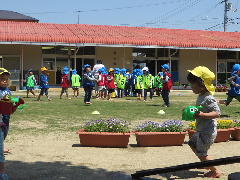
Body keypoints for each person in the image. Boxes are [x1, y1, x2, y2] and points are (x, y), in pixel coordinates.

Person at [187, 66, 221, 178]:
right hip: (201, 129)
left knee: (202, 153)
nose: (191, 87)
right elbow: (201, 109)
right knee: (192, 144)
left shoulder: (208, 97)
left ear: (202, 83)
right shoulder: (201, 96)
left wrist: (202, 115)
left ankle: (215, 171)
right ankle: (205, 162)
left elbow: (217, 113)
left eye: (192, 84)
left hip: (207, 131)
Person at [0, 68, 14, 180]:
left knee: (6, 131)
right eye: (2, 79)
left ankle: (1, 145)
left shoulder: (7, 90)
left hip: (6, 117)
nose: (5, 81)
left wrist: (14, 106)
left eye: (6, 79)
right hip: (0, 117)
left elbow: (10, 102)